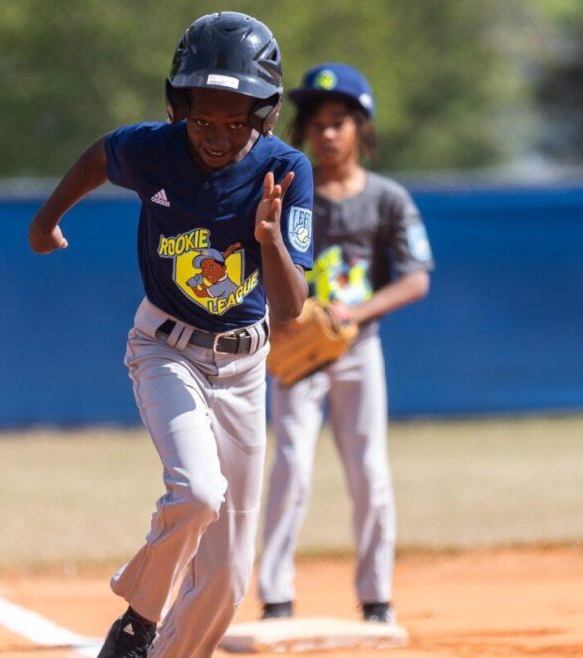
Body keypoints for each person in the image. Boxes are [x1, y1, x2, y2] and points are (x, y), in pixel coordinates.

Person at [26, 12, 313, 658]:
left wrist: (269, 238)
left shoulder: (286, 171)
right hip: (165, 349)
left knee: (228, 579)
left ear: (264, 115)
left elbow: (292, 307)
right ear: (177, 106)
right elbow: (100, 155)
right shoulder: (155, 150)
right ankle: (136, 622)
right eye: (201, 118)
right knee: (197, 492)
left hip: (243, 369)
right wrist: (47, 220)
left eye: (234, 120)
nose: (215, 134)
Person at [256, 63, 434, 624]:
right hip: (298, 349)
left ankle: (376, 598)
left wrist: (352, 313)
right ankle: (277, 597)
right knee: (290, 467)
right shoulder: (289, 191)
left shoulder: (387, 199)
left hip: (356, 348)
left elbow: (415, 278)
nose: (327, 133)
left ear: (362, 128)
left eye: (340, 121)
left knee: (369, 472)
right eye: (317, 122)